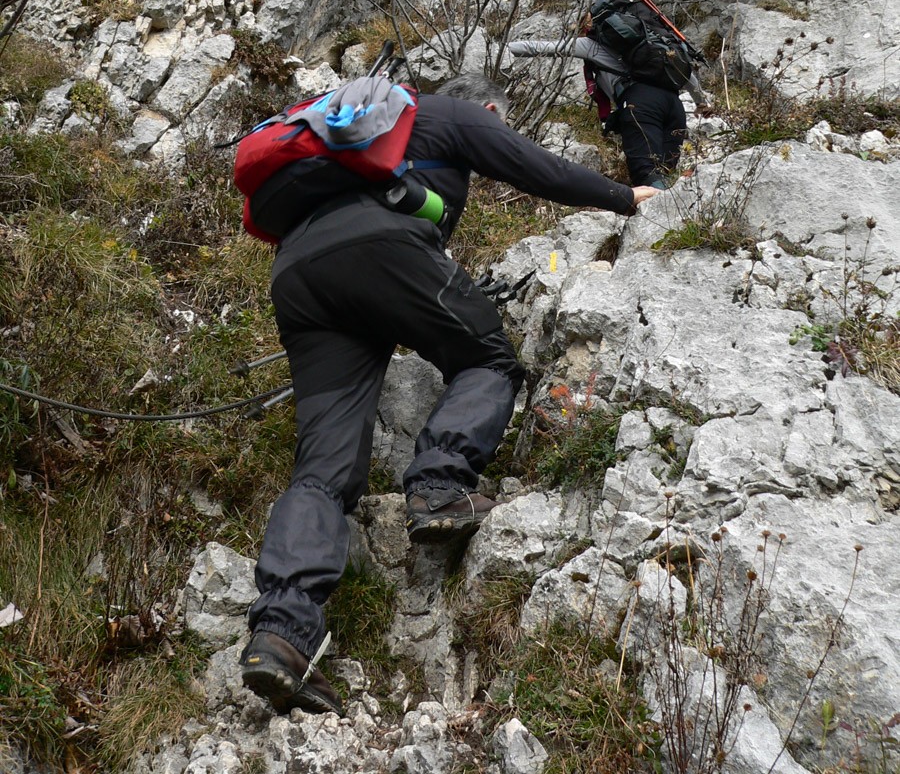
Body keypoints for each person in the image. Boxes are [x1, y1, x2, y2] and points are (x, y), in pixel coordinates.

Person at [238, 72, 659, 716]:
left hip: (298, 275)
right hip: (380, 247)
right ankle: (439, 484)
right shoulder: (453, 113)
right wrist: (624, 196)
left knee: (322, 468)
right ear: (487, 105)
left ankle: (281, 631)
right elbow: (533, 166)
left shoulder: (345, 138)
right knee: (486, 358)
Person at [508, 29, 705, 189]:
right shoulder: (652, 43)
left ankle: (658, 220)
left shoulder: (591, 45)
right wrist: (701, 104)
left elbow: (546, 47)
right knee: (666, 170)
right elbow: (687, 75)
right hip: (674, 105)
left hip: (641, 103)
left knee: (646, 172)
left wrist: (504, 49)